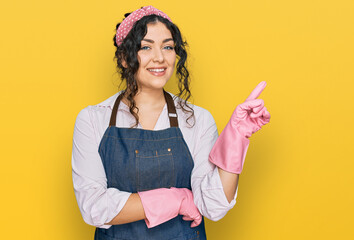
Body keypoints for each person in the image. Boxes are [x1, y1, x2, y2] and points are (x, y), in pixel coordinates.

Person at [71, 5, 270, 240]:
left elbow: (212, 206)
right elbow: (93, 207)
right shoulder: (93, 119)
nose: (160, 57)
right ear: (124, 58)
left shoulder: (197, 119)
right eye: (146, 47)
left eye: (168, 46)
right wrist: (176, 199)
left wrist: (236, 138)